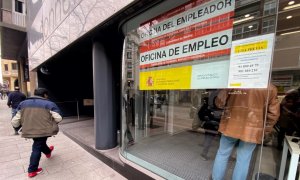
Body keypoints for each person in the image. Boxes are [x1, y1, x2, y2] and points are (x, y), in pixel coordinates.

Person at [211, 85, 280, 180]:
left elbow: (219, 103)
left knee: (222, 154)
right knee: (243, 160)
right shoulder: (270, 88)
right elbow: (273, 114)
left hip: (230, 125)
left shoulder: (235, 82)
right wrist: (264, 131)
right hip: (252, 130)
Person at [11, 88, 63, 178]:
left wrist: (16, 127)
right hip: (44, 130)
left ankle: (48, 151)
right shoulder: (49, 103)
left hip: (29, 129)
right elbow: (59, 118)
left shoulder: (23, 104)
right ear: (45, 95)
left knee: (39, 143)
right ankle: (32, 170)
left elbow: (15, 120)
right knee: (37, 147)